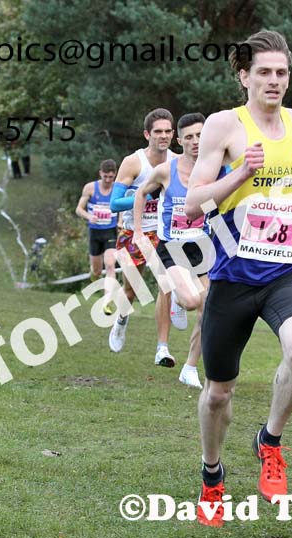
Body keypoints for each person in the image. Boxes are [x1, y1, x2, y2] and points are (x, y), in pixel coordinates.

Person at [185, 30, 292, 527]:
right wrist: (240, 175)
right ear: (243, 76)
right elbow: (193, 202)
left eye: (281, 72)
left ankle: (270, 441)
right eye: (264, 72)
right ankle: (212, 474)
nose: (274, 80)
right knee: (218, 392)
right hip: (231, 275)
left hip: (284, 269)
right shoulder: (224, 126)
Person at [134, 112, 209, 388]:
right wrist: (139, 231)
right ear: (180, 141)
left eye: (200, 135)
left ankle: (190, 367)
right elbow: (141, 193)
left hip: (202, 246)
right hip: (172, 246)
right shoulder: (166, 170)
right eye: (189, 137)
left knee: (208, 308)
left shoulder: (215, 170)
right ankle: (178, 295)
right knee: (190, 301)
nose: (195, 141)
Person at [108, 108, 176, 361]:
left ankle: (162, 348)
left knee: (166, 285)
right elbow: (114, 204)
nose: (163, 136)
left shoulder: (177, 161)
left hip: (163, 232)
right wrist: (145, 194)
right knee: (131, 290)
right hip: (133, 232)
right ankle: (121, 319)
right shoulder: (133, 162)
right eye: (158, 131)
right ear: (147, 134)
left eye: (168, 131)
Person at [75, 159, 119, 315]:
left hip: (110, 233)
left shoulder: (117, 189)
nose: (108, 180)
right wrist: (89, 216)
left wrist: (121, 222)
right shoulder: (90, 188)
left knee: (110, 265)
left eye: (111, 177)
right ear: (100, 173)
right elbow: (79, 209)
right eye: (105, 176)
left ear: (115, 175)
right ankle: (94, 274)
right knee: (96, 271)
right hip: (95, 233)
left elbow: (123, 209)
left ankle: (107, 302)